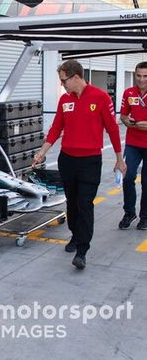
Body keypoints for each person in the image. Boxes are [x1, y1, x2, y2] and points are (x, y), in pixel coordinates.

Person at [32, 60, 126, 270]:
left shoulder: (101, 98)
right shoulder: (65, 100)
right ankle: (75, 235)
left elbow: (112, 129)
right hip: (68, 160)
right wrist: (42, 152)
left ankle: (82, 250)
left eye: (64, 80)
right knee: (72, 203)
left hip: (90, 161)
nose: (62, 85)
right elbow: (56, 128)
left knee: (85, 204)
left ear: (75, 77)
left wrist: (119, 159)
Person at [118, 61, 147, 230]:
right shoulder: (129, 93)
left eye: (145, 76)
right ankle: (129, 212)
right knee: (128, 178)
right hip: (133, 143)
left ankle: (145, 217)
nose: (141, 80)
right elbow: (122, 115)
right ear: (134, 75)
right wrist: (127, 121)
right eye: (139, 76)